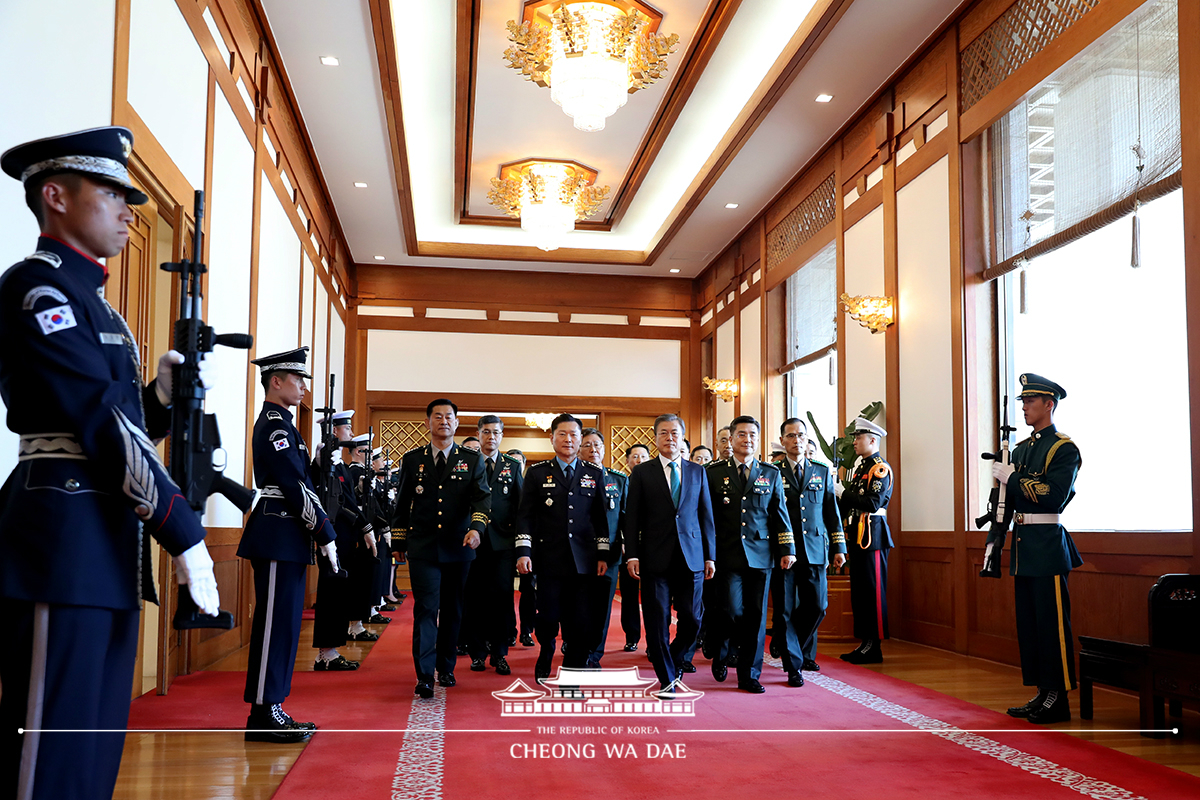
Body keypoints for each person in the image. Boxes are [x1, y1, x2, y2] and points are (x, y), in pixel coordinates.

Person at [0, 126, 221, 799]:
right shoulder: (40, 290)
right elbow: (92, 421)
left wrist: (157, 397)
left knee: (93, 744)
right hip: (60, 538)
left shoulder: (97, 304)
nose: (129, 211)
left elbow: (122, 424)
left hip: (105, 540)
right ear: (57, 195)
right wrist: (182, 527)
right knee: (50, 748)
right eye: (112, 193)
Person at [238, 347, 336, 742]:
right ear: (275, 381)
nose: (303, 387)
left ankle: (272, 705)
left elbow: (303, 478)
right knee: (275, 626)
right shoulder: (276, 425)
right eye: (297, 380)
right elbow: (293, 487)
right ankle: (263, 712)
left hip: (287, 536)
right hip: (278, 532)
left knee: (286, 627)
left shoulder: (287, 425)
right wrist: (325, 532)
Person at [992, 374, 1083, 724]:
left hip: (1046, 544)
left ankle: (1058, 696)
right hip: (1023, 543)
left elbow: (1053, 494)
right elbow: (1010, 497)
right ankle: (1042, 692)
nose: (1025, 407)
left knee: (1052, 624)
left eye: (1031, 401)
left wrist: (1012, 479)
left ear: (1049, 404)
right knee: (1030, 624)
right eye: (1023, 401)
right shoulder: (1022, 448)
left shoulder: (1063, 448)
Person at [393, 398, 490, 698]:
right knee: (425, 609)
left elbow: (482, 499)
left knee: (453, 610)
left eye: (449, 417)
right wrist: (398, 540)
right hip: (423, 547)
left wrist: (477, 528)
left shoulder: (472, 460)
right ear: (428, 422)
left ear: (457, 423)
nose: (444, 421)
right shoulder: (412, 459)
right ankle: (424, 675)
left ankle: (445, 667)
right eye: (437, 416)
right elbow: (402, 503)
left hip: (459, 547)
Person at [515, 414, 613, 681]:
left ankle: (572, 675)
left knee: (580, 621)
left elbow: (600, 518)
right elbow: (525, 515)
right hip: (548, 559)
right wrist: (524, 551)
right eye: (562, 434)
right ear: (552, 438)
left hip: (584, 561)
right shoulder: (537, 473)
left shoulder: (593, 473)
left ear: (580, 440)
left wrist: (603, 553)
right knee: (547, 617)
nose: (568, 439)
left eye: (573, 435)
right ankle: (546, 650)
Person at [624, 414, 716, 690]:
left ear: (682, 437)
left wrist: (710, 555)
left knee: (692, 618)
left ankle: (674, 658)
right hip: (654, 558)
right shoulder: (642, 472)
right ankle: (666, 678)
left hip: (692, 557)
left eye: (674, 433)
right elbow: (633, 519)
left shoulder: (697, 471)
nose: (669, 438)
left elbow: (706, 516)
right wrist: (632, 554)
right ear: (655, 439)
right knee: (657, 620)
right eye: (663, 433)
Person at [705, 416, 795, 693]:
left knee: (756, 616)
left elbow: (779, 514)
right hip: (726, 553)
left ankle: (749, 674)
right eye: (742, 434)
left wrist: (787, 549)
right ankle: (721, 652)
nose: (748, 439)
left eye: (753, 435)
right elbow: (706, 516)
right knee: (731, 610)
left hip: (761, 554)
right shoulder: (714, 472)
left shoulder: (770, 473)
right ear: (731, 440)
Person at [773, 418, 846, 686]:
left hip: (816, 550)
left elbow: (831, 513)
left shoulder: (821, 471)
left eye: (801, 435)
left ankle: (793, 647)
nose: (797, 440)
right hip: (784, 553)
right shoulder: (773, 472)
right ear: (783, 441)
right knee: (784, 611)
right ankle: (794, 665)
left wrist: (839, 546)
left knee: (818, 606)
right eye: (791, 436)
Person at [462, 415, 524, 675]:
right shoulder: (464, 464)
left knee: (501, 597)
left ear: (502, 435)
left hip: (503, 542)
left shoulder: (511, 465)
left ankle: (499, 653)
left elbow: (520, 506)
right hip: (472, 542)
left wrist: (522, 545)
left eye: (496, 433)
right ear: (478, 434)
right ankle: (477, 653)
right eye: (486, 432)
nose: (491, 437)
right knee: (474, 597)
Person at [837, 417, 893, 664]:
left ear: (872, 440)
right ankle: (864, 643)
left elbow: (873, 503)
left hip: (873, 535)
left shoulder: (879, 468)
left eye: (859, 438)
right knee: (860, 591)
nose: (855, 442)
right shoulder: (862, 467)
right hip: (858, 535)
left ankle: (874, 644)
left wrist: (843, 492)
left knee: (872, 591)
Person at [579, 428, 627, 666]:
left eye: (597, 444)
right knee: (579, 605)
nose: (593, 449)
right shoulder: (572, 477)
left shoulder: (618, 479)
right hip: (577, 552)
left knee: (602, 608)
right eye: (587, 445)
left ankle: (594, 653)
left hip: (609, 554)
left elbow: (626, 518)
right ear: (578, 449)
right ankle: (576, 646)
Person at [620, 443, 652, 650]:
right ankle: (631, 636)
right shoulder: (623, 482)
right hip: (628, 547)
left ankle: (653, 641)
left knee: (653, 596)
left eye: (643, 456)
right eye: (635, 457)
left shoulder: (657, 481)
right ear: (628, 461)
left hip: (652, 547)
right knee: (629, 594)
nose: (639, 460)